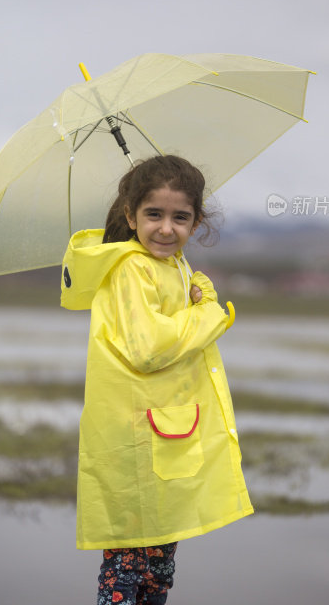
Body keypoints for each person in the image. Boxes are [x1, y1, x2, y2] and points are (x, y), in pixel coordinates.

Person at [61, 155, 253, 605]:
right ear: (131, 215)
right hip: (132, 439)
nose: (166, 228)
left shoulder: (172, 267)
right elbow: (149, 348)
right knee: (127, 569)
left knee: (158, 568)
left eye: (180, 217)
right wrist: (208, 313)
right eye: (154, 214)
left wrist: (194, 296)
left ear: (197, 221)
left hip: (163, 432)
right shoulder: (132, 267)